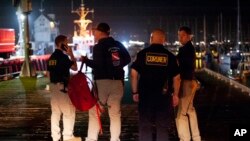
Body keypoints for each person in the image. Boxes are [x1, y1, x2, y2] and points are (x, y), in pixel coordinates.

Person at [82, 22, 131, 141]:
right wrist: (116, 66)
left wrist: (86, 61)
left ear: (100, 32)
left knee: (95, 112)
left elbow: (98, 65)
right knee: (115, 114)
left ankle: (92, 138)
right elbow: (128, 59)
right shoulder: (118, 44)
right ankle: (115, 139)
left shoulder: (98, 47)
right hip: (117, 82)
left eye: (95, 31)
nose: (94, 33)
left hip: (102, 83)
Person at [130, 28, 181, 141]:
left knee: (145, 125)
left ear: (151, 39)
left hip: (145, 95)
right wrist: (176, 95)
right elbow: (177, 78)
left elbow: (134, 74)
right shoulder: (170, 56)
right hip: (164, 96)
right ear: (164, 40)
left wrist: (135, 92)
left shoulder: (142, 54)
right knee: (162, 126)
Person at [47, 35, 81, 141]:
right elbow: (75, 68)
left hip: (53, 88)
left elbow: (48, 74)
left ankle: (55, 137)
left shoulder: (51, 57)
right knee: (68, 112)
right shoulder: (64, 57)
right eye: (66, 43)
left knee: (55, 113)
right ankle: (68, 136)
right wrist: (71, 54)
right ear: (62, 44)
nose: (67, 45)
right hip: (63, 88)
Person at [175, 26, 201, 141]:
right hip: (191, 81)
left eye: (183, 35)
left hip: (186, 82)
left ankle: (185, 138)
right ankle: (196, 137)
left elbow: (180, 65)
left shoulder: (186, 49)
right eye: (179, 35)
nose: (180, 38)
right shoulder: (188, 48)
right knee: (190, 110)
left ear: (189, 36)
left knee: (181, 114)